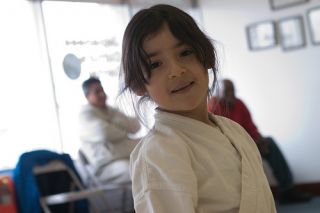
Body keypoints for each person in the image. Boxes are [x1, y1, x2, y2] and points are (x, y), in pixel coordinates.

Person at [120, 4, 276, 212]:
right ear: (139, 85)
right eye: (155, 64)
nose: (176, 70)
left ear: (207, 57)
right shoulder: (159, 153)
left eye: (185, 52)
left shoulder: (234, 131)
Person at [208, 79, 312, 204]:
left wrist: (259, 140)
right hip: (228, 146)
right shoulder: (213, 105)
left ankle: (287, 189)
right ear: (219, 92)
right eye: (228, 90)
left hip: (246, 142)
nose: (231, 93)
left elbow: (250, 126)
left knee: (269, 142)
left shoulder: (239, 103)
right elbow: (215, 133)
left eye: (233, 90)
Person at [79, 77, 141, 184]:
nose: (102, 94)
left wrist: (112, 123)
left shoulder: (109, 110)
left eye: (102, 90)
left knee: (151, 163)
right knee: (138, 171)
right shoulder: (85, 114)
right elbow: (104, 133)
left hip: (125, 158)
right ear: (87, 96)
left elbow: (136, 126)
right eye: (97, 92)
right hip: (105, 168)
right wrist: (124, 130)